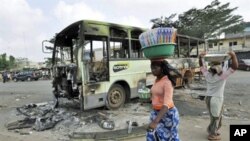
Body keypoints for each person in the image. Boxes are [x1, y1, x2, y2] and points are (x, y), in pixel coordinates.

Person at [199, 51, 238, 140]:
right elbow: (235, 67)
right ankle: (212, 134)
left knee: (215, 116)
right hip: (216, 99)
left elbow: (201, 67)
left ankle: (213, 130)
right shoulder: (222, 76)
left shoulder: (208, 75)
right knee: (216, 117)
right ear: (219, 68)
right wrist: (233, 56)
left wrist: (200, 58)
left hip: (208, 98)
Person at [147, 59, 180, 141]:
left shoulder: (167, 82)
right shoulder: (157, 80)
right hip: (156, 112)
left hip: (168, 114)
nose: (152, 70)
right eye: (151, 68)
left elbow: (167, 104)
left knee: (169, 138)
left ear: (162, 68)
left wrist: (155, 122)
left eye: (155, 68)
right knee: (151, 135)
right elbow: (157, 95)